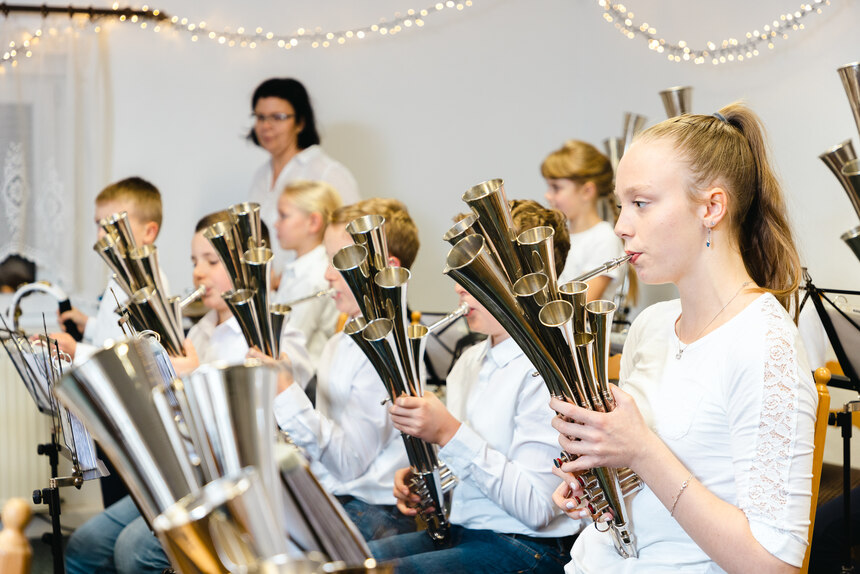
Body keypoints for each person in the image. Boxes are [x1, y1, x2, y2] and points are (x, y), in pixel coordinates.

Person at [550, 104, 817, 573]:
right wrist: (601, 479)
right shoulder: (652, 325)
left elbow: (773, 566)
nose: (620, 226)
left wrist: (640, 449)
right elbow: (648, 495)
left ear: (711, 207)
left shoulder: (766, 345)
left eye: (641, 203)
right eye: (620, 205)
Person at [64, 212, 313, 574]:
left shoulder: (278, 336)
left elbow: (270, 435)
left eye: (211, 261)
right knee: (85, 544)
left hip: (239, 491)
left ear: (248, 266)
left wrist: (194, 377)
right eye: (195, 262)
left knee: (133, 552)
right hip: (189, 478)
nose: (198, 273)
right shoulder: (198, 333)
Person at [368, 199, 579, 574]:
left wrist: (448, 433)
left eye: (474, 269)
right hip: (468, 529)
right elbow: (476, 467)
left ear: (527, 277)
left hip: (530, 548)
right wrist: (429, 481)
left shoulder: (546, 369)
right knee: (348, 561)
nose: (458, 285)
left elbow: (537, 509)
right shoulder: (469, 359)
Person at [267, 198, 418, 542]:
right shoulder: (343, 338)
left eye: (340, 261)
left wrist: (286, 390)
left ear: (387, 267)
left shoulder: (386, 345)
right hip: (334, 494)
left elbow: (348, 463)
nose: (327, 274)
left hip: (372, 510)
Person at [247, 77, 360, 282]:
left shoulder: (328, 173)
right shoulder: (260, 176)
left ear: (300, 122)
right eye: (260, 117)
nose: (266, 126)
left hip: (315, 292)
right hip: (272, 296)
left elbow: (352, 243)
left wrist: (284, 280)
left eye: (278, 117)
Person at [51, 177, 163, 363]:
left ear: (149, 232)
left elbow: (133, 357)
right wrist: (88, 325)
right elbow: (115, 334)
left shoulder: (146, 286)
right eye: (99, 224)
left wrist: (76, 350)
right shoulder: (120, 278)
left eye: (112, 224)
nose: (102, 234)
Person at [542, 140, 625, 301]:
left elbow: (580, 305)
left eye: (556, 187)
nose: (547, 195)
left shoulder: (603, 239)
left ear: (587, 191)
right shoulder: (559, 236)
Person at [272, 180, 343, 366]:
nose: (275, 224)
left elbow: (289, 340)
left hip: (306, 382)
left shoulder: (314, 277)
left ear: (313, 222)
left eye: (284, 216)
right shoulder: (298, 267)